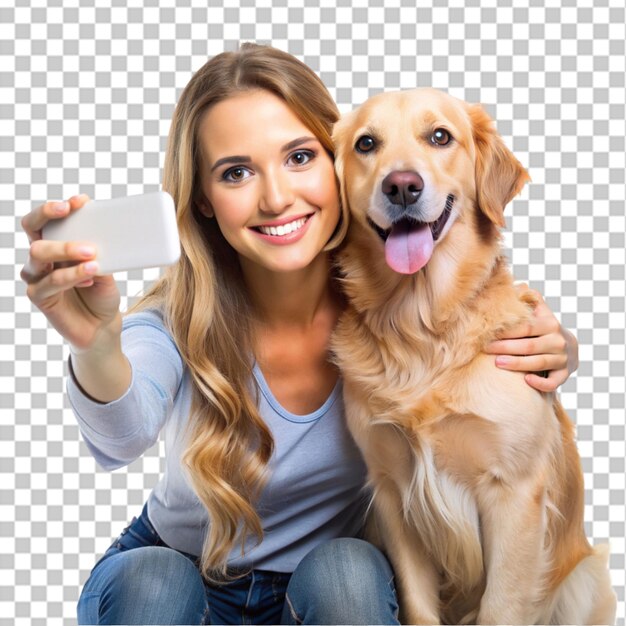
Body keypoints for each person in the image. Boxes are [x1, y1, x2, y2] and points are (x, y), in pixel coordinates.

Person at [20, 43, 579, 625]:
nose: (276, 197)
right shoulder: (178, 316)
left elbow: (478, 373)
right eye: (235, 172)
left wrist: (561, 348)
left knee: (350, 573)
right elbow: (123, 434)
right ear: (206, 201)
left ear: (337, 171)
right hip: (177, 576)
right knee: (153, 583)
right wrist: (96, 342)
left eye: (299, 157)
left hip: (315, 591)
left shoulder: (394, 312)